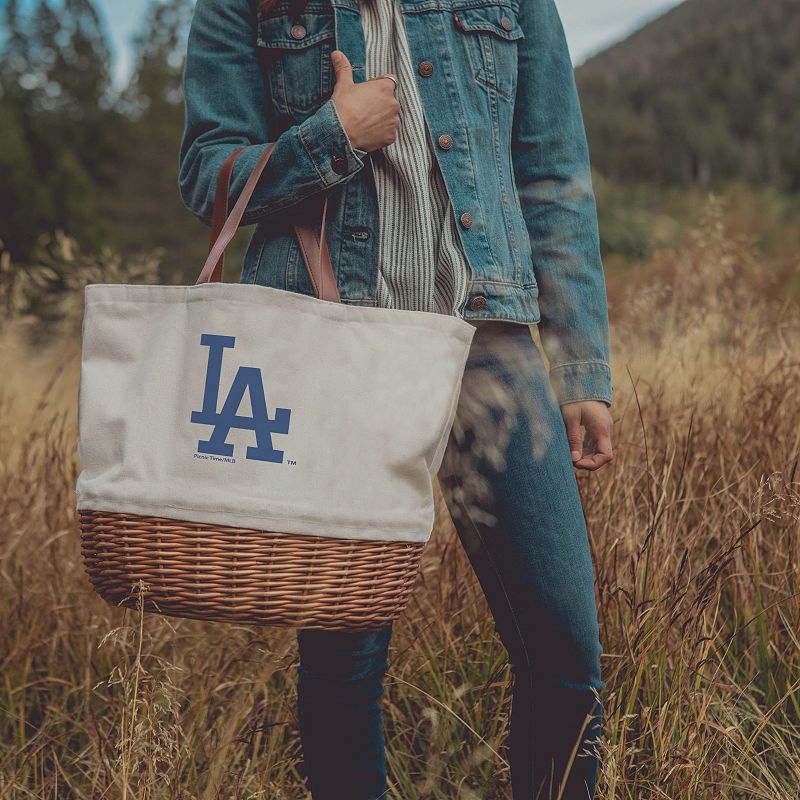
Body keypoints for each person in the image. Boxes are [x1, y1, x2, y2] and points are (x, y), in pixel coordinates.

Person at [179, 0, 614, 797]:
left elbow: (551, 172)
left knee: (565, 650)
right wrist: (329, 138)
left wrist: (582, 365)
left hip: (490, 345)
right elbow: (207, 172)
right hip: (334, 348)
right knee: (345, 660)